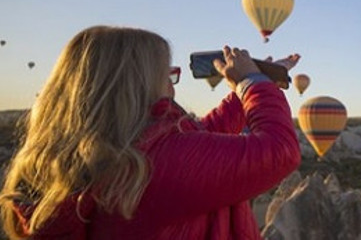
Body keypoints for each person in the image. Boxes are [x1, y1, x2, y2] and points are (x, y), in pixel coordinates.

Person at [0, 26, 302, 239]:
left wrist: (251, 87)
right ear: (136, 85)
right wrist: (252, 83)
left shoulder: (107, 153)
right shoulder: (160, 163)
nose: (172, 85)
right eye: (166, 75)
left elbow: (200, 135)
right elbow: (280, 150)